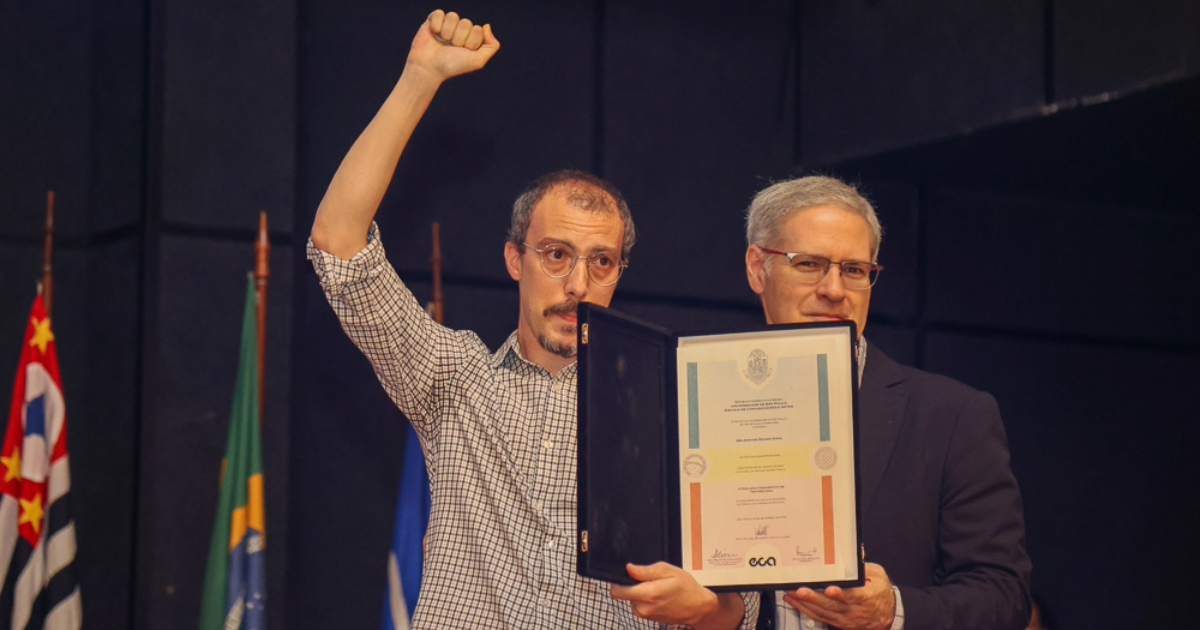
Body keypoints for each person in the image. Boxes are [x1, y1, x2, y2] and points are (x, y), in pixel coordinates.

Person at [307, 10, 757, 630]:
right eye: (556, 255)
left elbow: (743, 603)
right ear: (515, 259)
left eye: (601, 262)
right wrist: (420, 77)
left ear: (619, 272)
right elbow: (338, 244)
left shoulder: (672, 411)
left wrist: (708, 608)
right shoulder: (452, 380)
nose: (577, 284)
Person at [742, 176, 1032, 630]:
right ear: (759, 268)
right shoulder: (694, 403)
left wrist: (892, 610)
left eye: (855, 270)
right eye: (811, 264)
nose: (835, 290)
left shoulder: (952, 416)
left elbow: (1003, 596)